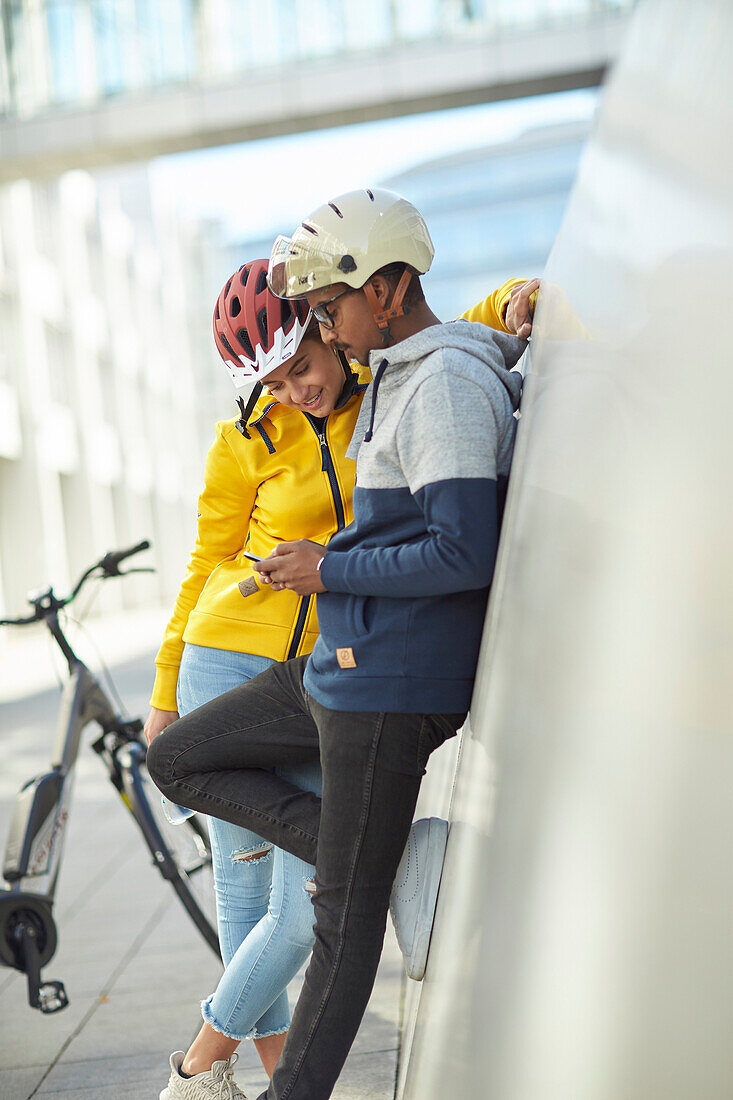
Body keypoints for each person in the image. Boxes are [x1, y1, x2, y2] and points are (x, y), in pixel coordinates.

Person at [148, 187, 528, 1100]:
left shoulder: (393, 381)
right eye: (271, 380)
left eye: (313, 334)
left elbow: (446, 355)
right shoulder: (253, 438)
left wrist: (515, 300)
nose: (296, 383)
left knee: (311, 918)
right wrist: (165, 690)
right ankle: (373, 859)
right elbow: (203, 562)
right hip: (255, 656)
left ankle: (209, 1077)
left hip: (356, 662)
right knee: (210, 838)